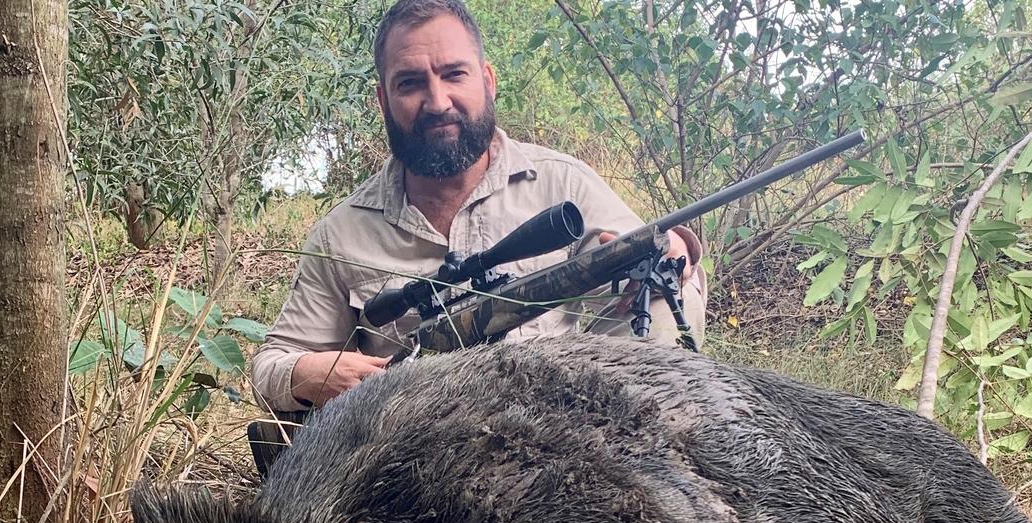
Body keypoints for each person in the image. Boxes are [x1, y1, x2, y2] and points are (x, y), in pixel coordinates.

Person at [249, 0, 707, 417]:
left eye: (454, 74)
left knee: (666, 291)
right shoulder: (342, 233)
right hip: (403, 450)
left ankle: (639, 462)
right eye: (410, 83)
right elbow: (272, 362)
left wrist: (676, 248)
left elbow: (656, 257)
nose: (437, 101)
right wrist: (311, 373)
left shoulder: (563, 182)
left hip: (556, 429)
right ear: (383, 100)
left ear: (487, 81)